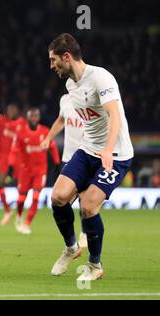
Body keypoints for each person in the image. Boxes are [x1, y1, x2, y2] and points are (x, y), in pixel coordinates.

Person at [46, 33, 133, 281]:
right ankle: (71, 247)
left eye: (54, 60)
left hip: (115, 154)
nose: (51, 66)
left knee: (88, 206)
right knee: (58, 197)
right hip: (87, 150)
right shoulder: (70, 85)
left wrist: (107, 149)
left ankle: (95, 265)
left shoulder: (100, 78)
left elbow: (114, 115)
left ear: (67, 56)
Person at [40, 94, 87, 247]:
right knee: (61, 200)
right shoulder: (65, 99)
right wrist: (48, 138)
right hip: (68, 159)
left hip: (87, 157)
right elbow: (61, 120)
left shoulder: (91, 99)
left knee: (84, 199)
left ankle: (85, 233)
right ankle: (71, 238)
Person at [13, 107, 60, 235]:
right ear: (28, 117)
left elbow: (52, 147)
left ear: (38, 117)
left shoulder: (45, 132)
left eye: (36, 116)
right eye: (31, 116)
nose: (34, 118)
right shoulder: (21, 133)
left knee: (35, 197)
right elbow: (15, 150)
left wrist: (57, 163)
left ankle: (27, 224)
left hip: (40, 170)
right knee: (21, 199)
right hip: (25, 170)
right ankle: (19, 216)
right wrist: (14, 166)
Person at [0, 104, 26, 226]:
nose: (11, 111)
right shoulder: (2, 120)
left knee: (21, 187)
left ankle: (19, 215)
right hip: (4, 156)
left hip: (19, 157)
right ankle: (7, 210)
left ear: (17, 111)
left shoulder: (22, 123)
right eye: (9, 109)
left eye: (14, 109)